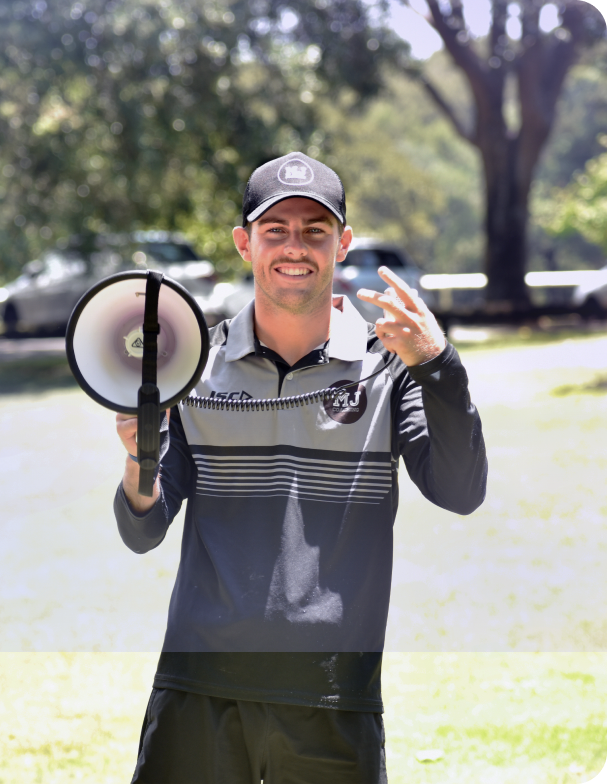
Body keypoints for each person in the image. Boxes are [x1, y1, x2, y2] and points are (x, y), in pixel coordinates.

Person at [114, 151, 487, 783]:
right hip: (200, 688)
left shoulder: (391, 366)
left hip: (334, 698)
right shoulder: (192, 366)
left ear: (342, 244)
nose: (296, 247)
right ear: (244, 243)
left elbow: (460, 490)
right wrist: (137, 458)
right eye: (275, 230)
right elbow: (142, 528)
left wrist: (439, 363)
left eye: (315, 230)